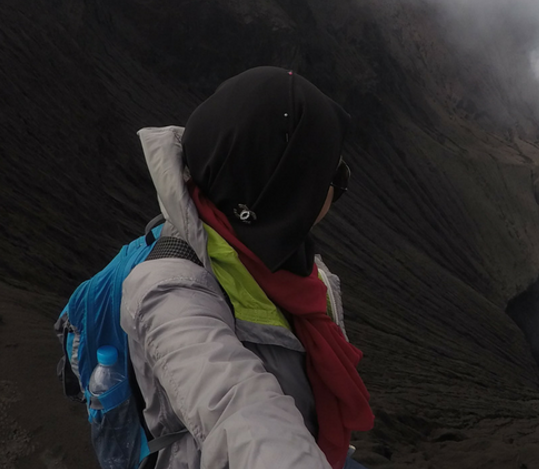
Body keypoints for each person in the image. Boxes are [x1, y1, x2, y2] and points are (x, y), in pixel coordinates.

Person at [121, 67, 374, 468]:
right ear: (284, 198)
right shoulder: (169, 295)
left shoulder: (283, 263)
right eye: (333, 179)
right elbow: (239, 412)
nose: (337, 189)